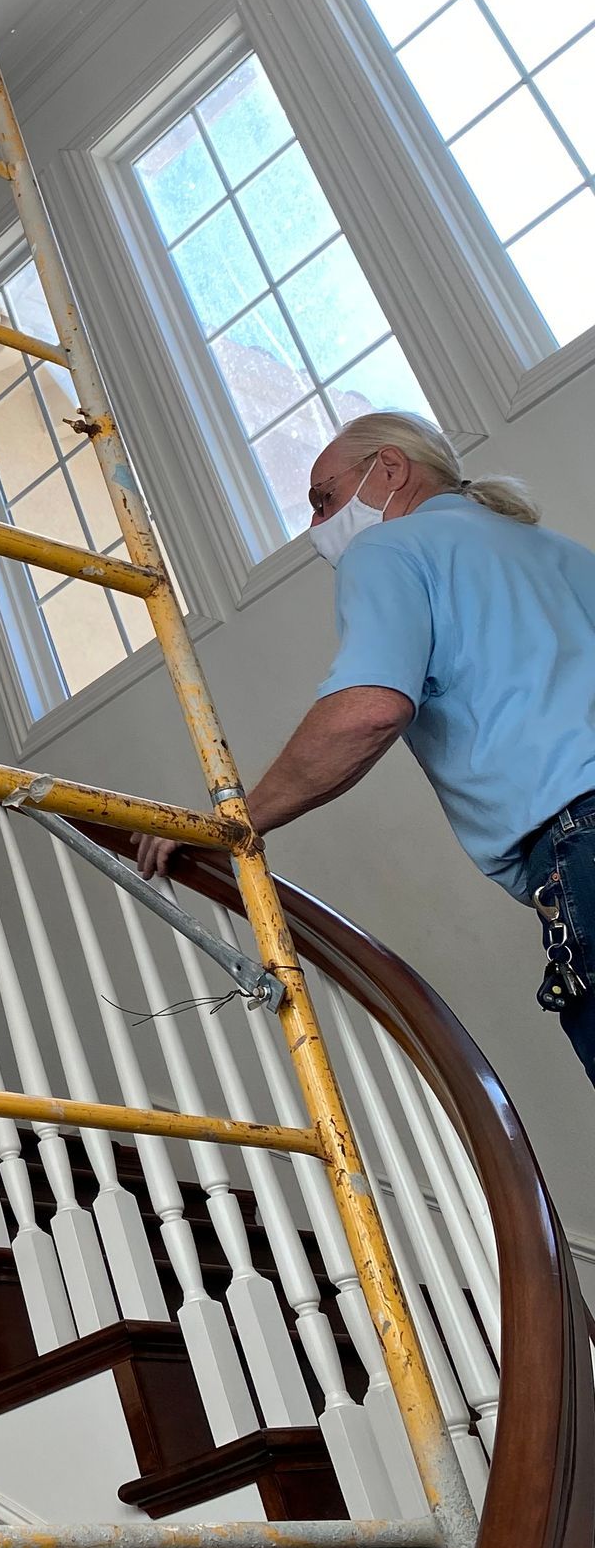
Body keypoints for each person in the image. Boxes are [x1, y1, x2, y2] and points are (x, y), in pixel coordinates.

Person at [134, 409, 595, 1083]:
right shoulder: (559, 552)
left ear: (391, 469)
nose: (317, 525)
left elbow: (369, 710)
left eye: (323, 499)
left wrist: (236, 820)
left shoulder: (388, 547)